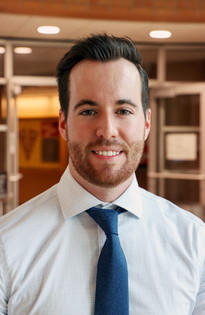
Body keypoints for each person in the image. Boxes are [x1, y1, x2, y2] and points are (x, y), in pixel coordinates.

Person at [0, 34, 204, 315]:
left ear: (146, 122)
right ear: (63, 124)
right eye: (88, 111)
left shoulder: (195, 242)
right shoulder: (6, 245)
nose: (107, 130)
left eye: (123, 110)